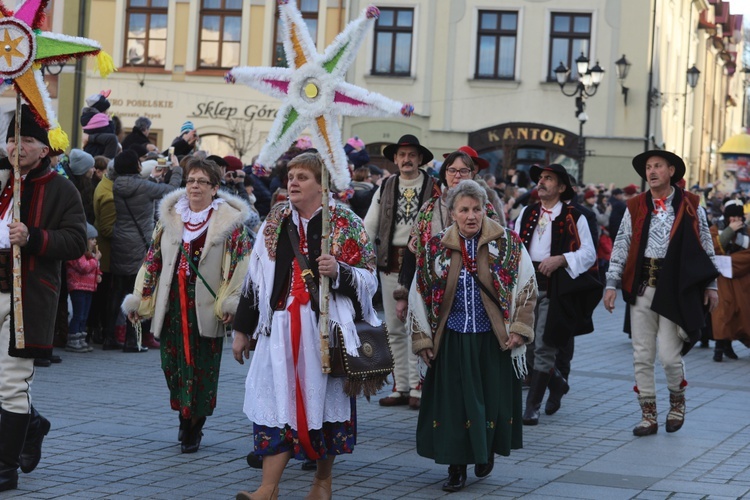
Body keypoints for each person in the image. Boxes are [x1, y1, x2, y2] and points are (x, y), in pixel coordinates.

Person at [232, 152, 379, 499]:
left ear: (321, 184)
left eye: (302, 177)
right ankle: (267, 489)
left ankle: (322, 484)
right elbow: (255, 281)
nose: (293, 183)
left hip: (323, 331)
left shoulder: (344, 222)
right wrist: (242, 331)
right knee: (275, 406)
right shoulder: (275, 221)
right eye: (291, 176)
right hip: (279, 329)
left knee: (324, 408)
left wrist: (339, 272)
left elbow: (369, 279)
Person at [409, 180, 537, 493]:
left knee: (489, 403)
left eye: (476, 209)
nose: (471, 216)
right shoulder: (435, 247)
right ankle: (456, 467)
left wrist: (520, 330)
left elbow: (527, 287)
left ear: (484, 210)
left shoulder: (507, 243)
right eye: (464, 209)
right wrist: (423, 340)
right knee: (455, 407)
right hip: (452, 340)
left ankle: (485, 452)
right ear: (451, 213)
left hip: (492, 341)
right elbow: (419, 294)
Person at [123, 157, 251, 453]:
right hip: (172, 304)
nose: (194, 186)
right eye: (191, 180)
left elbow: (240, 267)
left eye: (202, 182)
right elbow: (152, 260)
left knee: (202, 367)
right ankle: (183, 412)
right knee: (173, 365)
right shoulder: (170, 218)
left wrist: (230, 302)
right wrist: (140, 299)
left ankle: (195, 424)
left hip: (206, 306)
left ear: (215, 188)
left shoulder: (229, 224)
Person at [0, 105, 87, 492]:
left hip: (27, 299)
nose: (17, 147)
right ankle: (32, 424)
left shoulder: (61, 188)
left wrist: (34, 237)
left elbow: (76, 241)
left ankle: (5, 468)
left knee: (11, 383)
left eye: (27, 140)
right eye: (12, 139)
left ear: (45, 149)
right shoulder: (3, 178)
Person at [604, 150, 719, 436]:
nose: (651, 171)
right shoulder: (635, 206)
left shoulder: (691, 205)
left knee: (669, 356)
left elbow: (706, 244)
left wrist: (711, 285)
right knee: (642, 354)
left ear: (671, 171)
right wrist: (611, 283)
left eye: (657, 166)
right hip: (642, 287)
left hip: (675, 289)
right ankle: (648, 415)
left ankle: (677, 403)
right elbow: (621, 244)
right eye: (648, 167)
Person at [516, 164, 598, 425]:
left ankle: (532, 406)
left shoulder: (577, 216)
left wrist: (561, 259)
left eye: (548, 178)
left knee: (544, 345)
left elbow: (589, 253)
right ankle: (557, 383)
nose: (541, 182)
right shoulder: (528, 212)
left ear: (562, 187)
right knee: (525, 346)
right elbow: (515, 247)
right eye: (540, 178)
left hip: (556, 287)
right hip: (528, 286)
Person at [364, 134, 436, 409]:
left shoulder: (433, 187)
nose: (406, 160)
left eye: (412, 155)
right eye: (402, 155)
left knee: (417, 326)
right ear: (395, 159)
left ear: (420, 159)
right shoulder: (386, 186)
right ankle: (401, 385)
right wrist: (362, 254)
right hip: (390, 262)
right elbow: (370, 224)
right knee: (394, 328)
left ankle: (419, 386)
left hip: (422, 265)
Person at [396, 147, 502, 327]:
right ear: (445, 173)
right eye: (452, 170)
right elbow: (412, 251)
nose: (457, 175)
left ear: (472, 174)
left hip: (475, 298)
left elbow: (499, 251)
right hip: (432, 293)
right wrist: (403, 295)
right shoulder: (429, 208)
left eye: (463, 170)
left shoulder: (486, 209)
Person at [108, 149, 182, 352]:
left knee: (117, 292)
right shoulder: (142, 186)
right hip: (139, 243)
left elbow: (142, 188)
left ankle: (108, 337)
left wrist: (153, 178)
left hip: (120, 241)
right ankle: (132, 340)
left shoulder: (116, 185)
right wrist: (176, 169)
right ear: (136, 166)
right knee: (138, 290)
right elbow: (172, 190)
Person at [710, 199, 750, 361]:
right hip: (722, 279)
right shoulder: (715, 229)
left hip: (742, 280)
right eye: (731, 217)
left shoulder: (748, 232)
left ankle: (729, 345)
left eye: (737, 217)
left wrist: (729, 260)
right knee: (722, 312)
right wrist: (727, 233)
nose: (734, 220)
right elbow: (710, 249)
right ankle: (719, 348)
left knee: (741, 312)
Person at [65, 223, 101, 353]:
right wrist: (96, 260)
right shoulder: (77, 254)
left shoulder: (91, 255)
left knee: (84, 315)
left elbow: (95, 268)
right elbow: (84, 267)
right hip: (78, 287)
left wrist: (99, 275)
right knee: (78, 314)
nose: (95, 241)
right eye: (92, 239)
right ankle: (73, 339)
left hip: (89, 288)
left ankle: (81, 338)